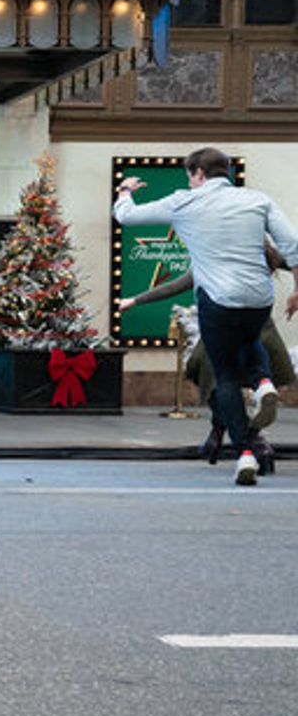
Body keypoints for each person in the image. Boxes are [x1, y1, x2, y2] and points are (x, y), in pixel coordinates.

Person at [114, 146, 298, 485]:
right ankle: (263, 383)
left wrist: (125, 191)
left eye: (190, 176)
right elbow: (293, 244)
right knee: (250, 338)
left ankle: (244, 455)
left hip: (219, 300)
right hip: (259, 298)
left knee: (225, 375)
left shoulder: (185, 200)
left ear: (198, 173)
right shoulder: (257, 200)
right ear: (225, 173)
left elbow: (126, 216)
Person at [120, 250, 296, 473]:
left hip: (223, 332)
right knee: (256, 378)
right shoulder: (259, 250)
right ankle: (251, 429)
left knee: (215, 380)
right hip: (261, 332)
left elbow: (174, 286)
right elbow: (294, 260)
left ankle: (236, 436)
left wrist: (135, 301)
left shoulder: (212, 252)